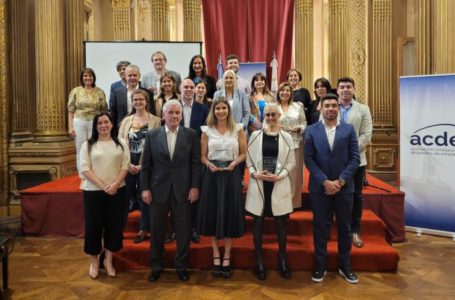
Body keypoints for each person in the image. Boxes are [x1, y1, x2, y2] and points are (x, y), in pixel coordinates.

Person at [141, 100, 201, 283]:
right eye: (171, 113)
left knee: (183, 232)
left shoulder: (191, 135)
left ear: (181, 116)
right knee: (157, 231)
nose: (174, 116)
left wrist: (195, 186)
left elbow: (195, 164)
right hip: (158, 190)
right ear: (163, 115)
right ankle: (156, 266)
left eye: (177, 113)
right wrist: (144, 188)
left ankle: (181, 266)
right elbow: (146, 166)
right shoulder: (152, 135)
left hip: (183, 190)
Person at [304, 93, 360, 284]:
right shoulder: (311, 130)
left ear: (338, 108)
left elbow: (355, 159)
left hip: (344, 189)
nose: (330, 109)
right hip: (320, 188)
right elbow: (309, 159)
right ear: (320, 108)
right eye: (326, 105)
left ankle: (345, 266)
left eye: (334, 105)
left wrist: (341, 181)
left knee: (344, 228)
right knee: (320, 227)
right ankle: (320, 265)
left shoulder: (349, 130)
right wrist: (325, 182)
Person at [197, 97, 246, 278]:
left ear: (228, 110)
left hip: (231, 173)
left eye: (224, 108)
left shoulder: (238, 129)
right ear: (213, 111)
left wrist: (234, 164)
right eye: (217, 108)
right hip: (212, 174)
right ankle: (216, 254)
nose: (221, 111)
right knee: (213, 212)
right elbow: (202, 156)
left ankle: (227, 255)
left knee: (229, 212)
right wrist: (209, 164)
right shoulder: (206, 131)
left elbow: (243, 154)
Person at [245, 103, 296, 280]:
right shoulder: (254, 135)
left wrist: (280, 176)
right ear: (262, 116)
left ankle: (283, 259)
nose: (271, 118)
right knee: (258, 223)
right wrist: (254, 174)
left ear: (279, 115)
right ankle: (259, 261)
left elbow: (291, 162)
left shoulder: (287, 137)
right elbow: (249, 161)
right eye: (267, 115)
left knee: (281, 223)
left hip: (278, 183)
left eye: (274, 115)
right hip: (259, 184)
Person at [79, 112, 130, 279]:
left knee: (114, 227)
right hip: (93, 192)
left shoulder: (121, 143)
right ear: (95, 126)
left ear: (112, 124)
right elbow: (85, 169)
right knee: (94, 227)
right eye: (99, 123)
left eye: (106, 122)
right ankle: (94, 261)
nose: (103, 125)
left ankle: (108, 261)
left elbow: (125, 166)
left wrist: (115, 184)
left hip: (117, 190)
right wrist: (103, 186)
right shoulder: (88, 145)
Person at [334, 77, 373, 248]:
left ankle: (354, 231)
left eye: (348, 87)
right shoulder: (330, 106)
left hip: (356, 161)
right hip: (333, 160)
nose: (345, 90)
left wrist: (348, 150)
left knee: (356, 196)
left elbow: (366, 135)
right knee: (334, 194)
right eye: (342, 87)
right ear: (337, 90)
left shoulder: (363, 109)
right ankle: (334, 229)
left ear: (354, 89)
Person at [118, 90, 161, 243]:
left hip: (147, 163)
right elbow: (120, 144)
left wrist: (143, 165)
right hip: (128, 163)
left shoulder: (156, 121)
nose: (138, 102)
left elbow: (157, 145)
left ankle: (143, 229)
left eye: (141, 99)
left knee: (144, 198)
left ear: (146, 101)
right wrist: (128, 164)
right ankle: (119, 228)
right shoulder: (126, 121)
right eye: (135, 99)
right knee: (124, 197)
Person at [67, 68, 108, 177]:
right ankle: (82, 174)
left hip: (95, 122)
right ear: (82, 78)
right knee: (80, 148)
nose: (88, 78)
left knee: (94, 147)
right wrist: (70, 127)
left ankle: (94, 172)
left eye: (90, 76)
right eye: (85, 76)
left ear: (93, 78)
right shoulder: (75, 91)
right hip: (79, 121)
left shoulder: (99, 91)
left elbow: (104, 109)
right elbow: (71, 110)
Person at [276, 82, 307, 208]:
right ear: (278, 92)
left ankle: (293, 203)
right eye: (282, 90)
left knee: (294, 175)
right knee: (280, 173)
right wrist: (274, 127)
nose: (285, 93)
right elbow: (265, 124)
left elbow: (304, 123)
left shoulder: (298, 106)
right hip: (278, 143)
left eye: (288, 91)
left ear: (291, 93)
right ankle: (280, 203)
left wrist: (299, 128)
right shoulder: (273, 106)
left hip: (296, 143)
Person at [110, 64, 155, 129]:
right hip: (122, 128)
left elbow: (152, 112)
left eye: (135, 75)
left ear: (139, 76)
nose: (132, 78)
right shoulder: (117, 93)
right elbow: (113, 114)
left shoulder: (148, 93)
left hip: (144, 127)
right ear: (125, 77)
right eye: (130, 75)